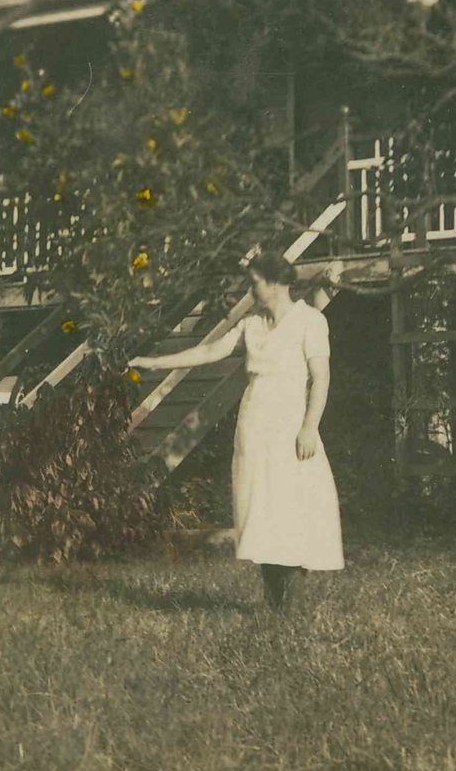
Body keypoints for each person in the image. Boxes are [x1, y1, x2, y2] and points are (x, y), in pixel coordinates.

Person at [130, 253, 343, 612]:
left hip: (291, 427)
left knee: (291, 508)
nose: (251, 289)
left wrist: (309, 427)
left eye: (255, 282)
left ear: (275, 283)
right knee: (261, 509)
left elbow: (321, 378)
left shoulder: (310, 321)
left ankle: (288, 605)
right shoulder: (252, 324)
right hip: (254, 426)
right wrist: (154, 362)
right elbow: (211, 351)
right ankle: (274, 603)